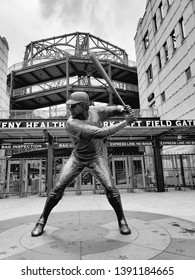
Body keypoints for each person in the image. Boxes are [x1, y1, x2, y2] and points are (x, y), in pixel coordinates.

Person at [31, 91, 137, 237]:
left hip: (95, 157)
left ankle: (122, 221)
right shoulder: (71, 123)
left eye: (73, 106)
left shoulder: (96, 111)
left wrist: (123, 109)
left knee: (111, 188)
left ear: (84, 106)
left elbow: (113, 109)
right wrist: (126, 122)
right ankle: (41, 221)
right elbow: (100, 133)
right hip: (77, 158)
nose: (70, 109)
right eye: (70, 106)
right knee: (56, 189)